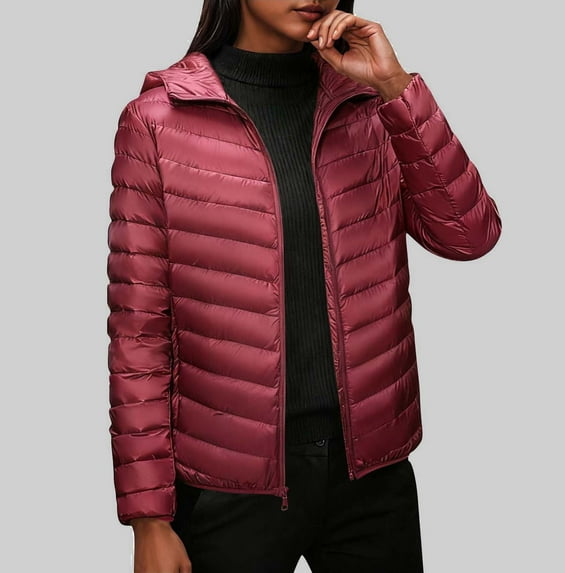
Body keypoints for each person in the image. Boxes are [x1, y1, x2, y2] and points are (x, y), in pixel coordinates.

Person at [106, 1, 502, 571]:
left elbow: (469, 235)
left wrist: (396, 87)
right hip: (228, 485)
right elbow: (138, 336)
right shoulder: (158, 121)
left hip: (372, 476)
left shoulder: (370, 108)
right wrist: (148, 518)